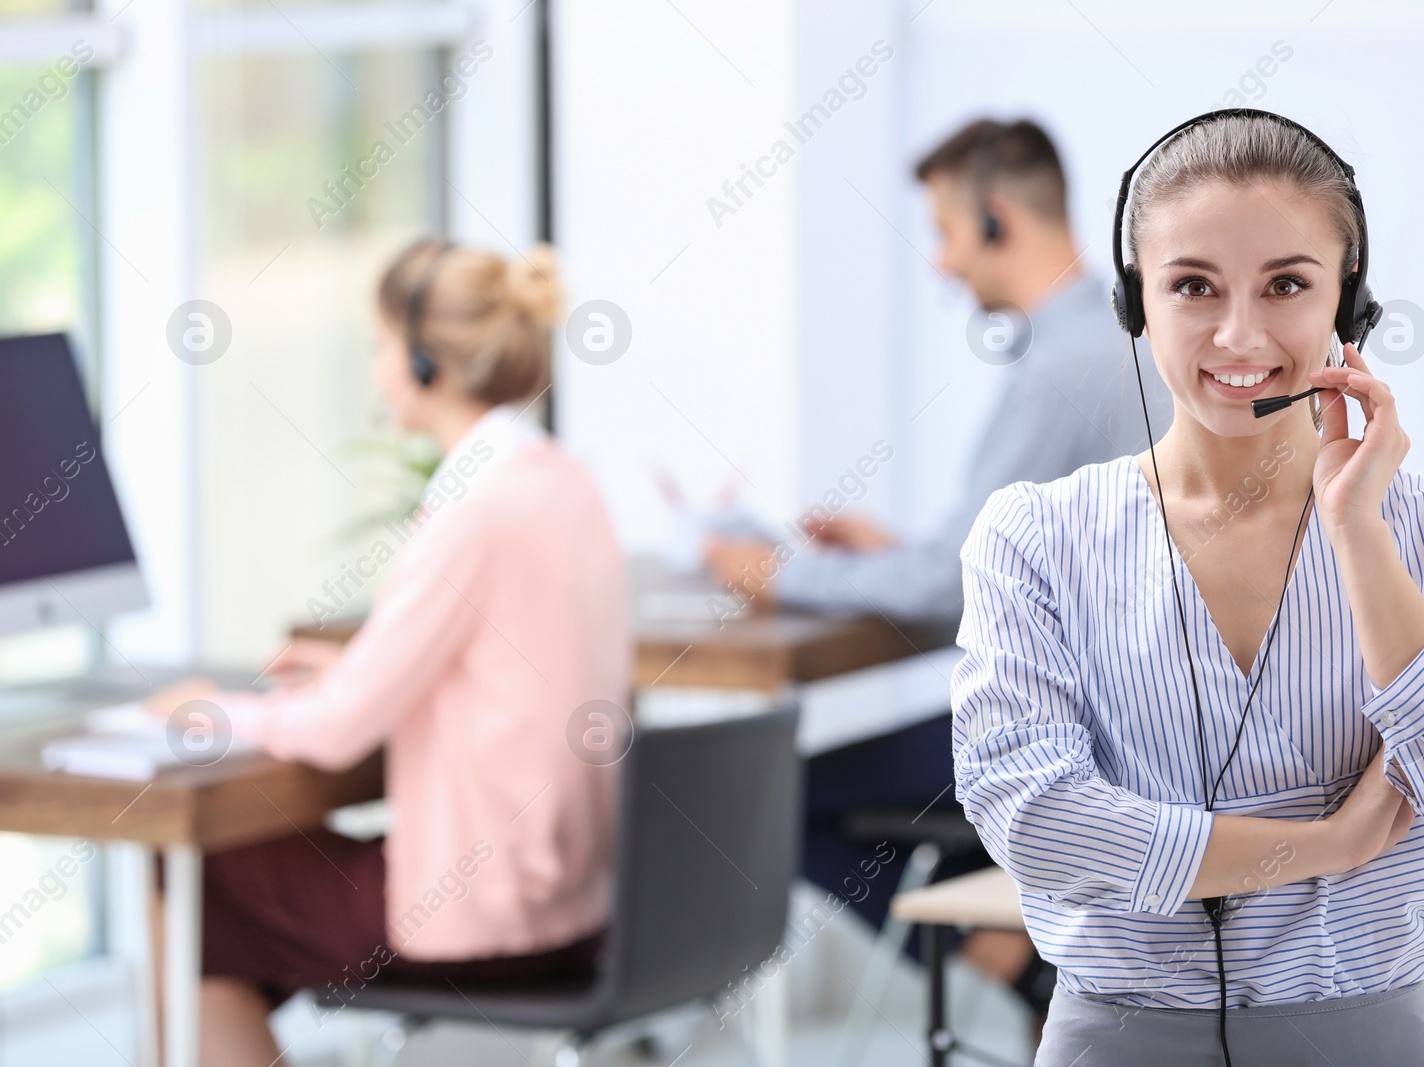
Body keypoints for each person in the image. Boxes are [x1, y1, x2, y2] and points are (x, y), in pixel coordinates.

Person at [953, 110, 1424, 1066]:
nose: (1240, 333)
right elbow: (1036, 822)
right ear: (1134, 303)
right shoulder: (1035, 538)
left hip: (1371, 1032)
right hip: (1114, 1038)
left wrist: (1359, 535)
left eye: (1287, 284)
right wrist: (1326, 846)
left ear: (1349, 307)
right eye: (1192, 285)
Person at [705, 118, 1171, 1010]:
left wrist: (778, 573)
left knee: (779, 792)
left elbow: (950, 587)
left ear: (998, 221)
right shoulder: (1125, 335)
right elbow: (1015, 549)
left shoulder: (1063, 367)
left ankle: (1018, 963)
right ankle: (1024, 936)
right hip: (1129, 715)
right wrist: (907, 549)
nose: (941, 264)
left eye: (947, 233)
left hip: (1071, 730)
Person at [146, 238, 631, 1066]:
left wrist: (207, 709)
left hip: (482, 915)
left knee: (190, 881)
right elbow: (510, 663)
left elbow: (337, 733)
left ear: (421, 360)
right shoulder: (561, 480)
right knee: (227, 919)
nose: (375, 370)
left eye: (378, 347)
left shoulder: (472, 509)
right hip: (578, 902)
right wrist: (360, 673)